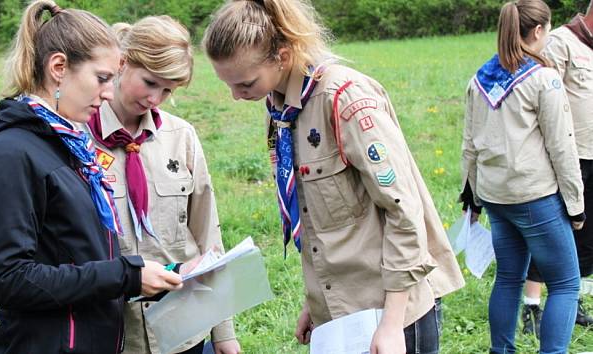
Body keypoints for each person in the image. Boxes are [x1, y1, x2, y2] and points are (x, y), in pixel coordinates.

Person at [202, 1, 465, 353]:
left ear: (281, 57)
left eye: (245, 83)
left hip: (389, 312)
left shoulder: (344, 100)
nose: (236, 96)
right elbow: (315, 216)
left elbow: (403, 211)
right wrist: (317, 302)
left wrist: (391, 325)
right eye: (229, 85)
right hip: (341, 315)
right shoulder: (281, 112)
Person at [0, 2, 183, 353]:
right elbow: (9, 279)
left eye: (113, 80)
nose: (109, 93)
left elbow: (75, 255)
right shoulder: (9, 155)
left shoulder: (73, 145)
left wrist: (137, 274)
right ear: (58, 67)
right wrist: (125, 276)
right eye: (101, 78)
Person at [81, 16, 241, 354]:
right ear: (123, 63)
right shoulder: (78, 139)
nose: (156, 98)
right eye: (150, 82)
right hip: (113, 330)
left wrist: (224, 331)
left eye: (168, 90)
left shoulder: (180, 136)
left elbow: (207, 234)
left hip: (183, 324)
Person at [460, 0, 584, 353]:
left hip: (496, 197)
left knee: (509, 278)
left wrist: (472, 195)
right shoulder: (544, 80)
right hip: (536, 198)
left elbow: (469, 145)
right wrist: (575, 205)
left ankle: (500, 351)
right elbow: (563, 147)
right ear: (540, 31)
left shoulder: (479, 79)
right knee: (564, 284)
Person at [520, 0, 593, 331]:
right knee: (554, 231)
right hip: (568, 156)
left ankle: (570, 300)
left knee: (586, 235)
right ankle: (532, 306)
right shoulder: (561, 41)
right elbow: (542, 94)